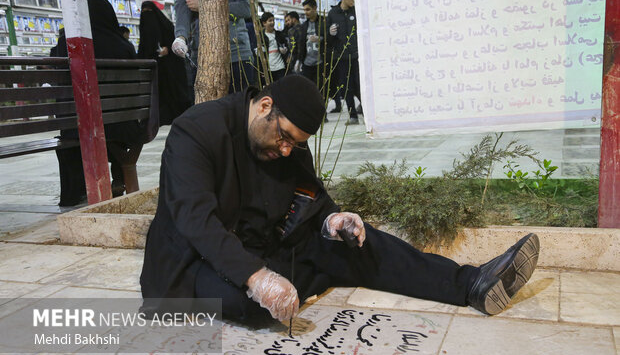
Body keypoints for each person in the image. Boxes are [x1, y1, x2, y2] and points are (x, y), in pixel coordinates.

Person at [140, 74, 541, 322]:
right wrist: (258, 277)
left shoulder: (288, 144)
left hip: (263, 245)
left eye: (294, 145)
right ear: (265, 106)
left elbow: (307, 193)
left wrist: (331, 219)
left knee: (355, 242)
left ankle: (470, 283)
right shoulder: (196, 132)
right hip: (197, 261)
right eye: (283, 138)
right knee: (251, 305)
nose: (284, 151)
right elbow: (196, 223)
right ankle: (314, 274)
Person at [53, 0, 145, 205]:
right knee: (115, 127)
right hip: (123, 126)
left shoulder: (66, 43)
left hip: (78, 128)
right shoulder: (124, 46)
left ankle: (74, 193)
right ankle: (120, 178)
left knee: (71, 130)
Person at [171, 0, 255, 96]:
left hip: (235, 53)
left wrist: (206, 7)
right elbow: (182, 11)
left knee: (239, 104)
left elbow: (245, 8)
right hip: (202, 57)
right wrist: (181, 37)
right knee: (205, 106)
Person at [138, 0, 191, 125]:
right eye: (144, 12)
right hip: (156, 71)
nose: (147, 16)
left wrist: (168, 50)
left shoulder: (167, 28)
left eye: (149, 12)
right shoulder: (147, 28)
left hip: (170, 70)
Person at [327, 0, 361, 125]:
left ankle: (366, 110)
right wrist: (330, 33)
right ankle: (353, 116)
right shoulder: (332, 13)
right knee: (347, 87)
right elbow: (327, 38)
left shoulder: (357, 12)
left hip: (357, 56)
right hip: (341, 57)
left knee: (360, 85)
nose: (353, 0)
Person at [259, 12, 288, 82]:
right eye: (270, 21)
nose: (272, 22)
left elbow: (286, 46)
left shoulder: (280, 34)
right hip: (269, 68)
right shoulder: (260, 36)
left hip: (280, 66)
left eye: (273, 20)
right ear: (264, 23)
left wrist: (285, 49)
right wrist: (262, 69)